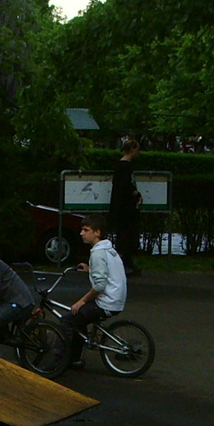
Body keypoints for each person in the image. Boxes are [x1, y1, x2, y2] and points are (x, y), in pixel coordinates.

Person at [63, 217, 127, 365]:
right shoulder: (109, 250)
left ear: (97, 232)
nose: (81, 233)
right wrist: (90, 270)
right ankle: (75, 358)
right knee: (79, 321)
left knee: (68, 319)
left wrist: (81, 301)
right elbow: (107, 272)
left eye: (86, 230)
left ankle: (63, 359)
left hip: (106, 302)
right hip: (117, 299)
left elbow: (99, 286)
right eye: (81, 229)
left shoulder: (97, 253)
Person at [109, 137, 142, 275]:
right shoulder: (124, 167)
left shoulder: (123, 167)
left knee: (125, 235)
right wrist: (134, 193)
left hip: (124, 207)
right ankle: (123, 262)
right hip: (124, 208)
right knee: (124, 235)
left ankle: (127, 261)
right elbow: (124, 186)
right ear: (132, 149)